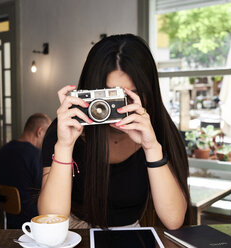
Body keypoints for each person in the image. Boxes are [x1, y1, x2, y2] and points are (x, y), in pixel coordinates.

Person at [38, 34, 191, 229]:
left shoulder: (159, 131)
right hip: (74, 233)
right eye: (108, 96)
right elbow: (52, 220)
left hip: (130, 235)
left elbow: (174, 219)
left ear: (149, 90)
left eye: (130, 95)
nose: (119, 107)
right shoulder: (65, 130)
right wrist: (64, 147)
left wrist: (151, 147)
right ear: (90, 91)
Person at [0, 112, 51, 229]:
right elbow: (45, 189)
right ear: (40, 132)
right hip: (31, 218)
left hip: (7, 214)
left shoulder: (4, 150)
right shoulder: (35, 155)